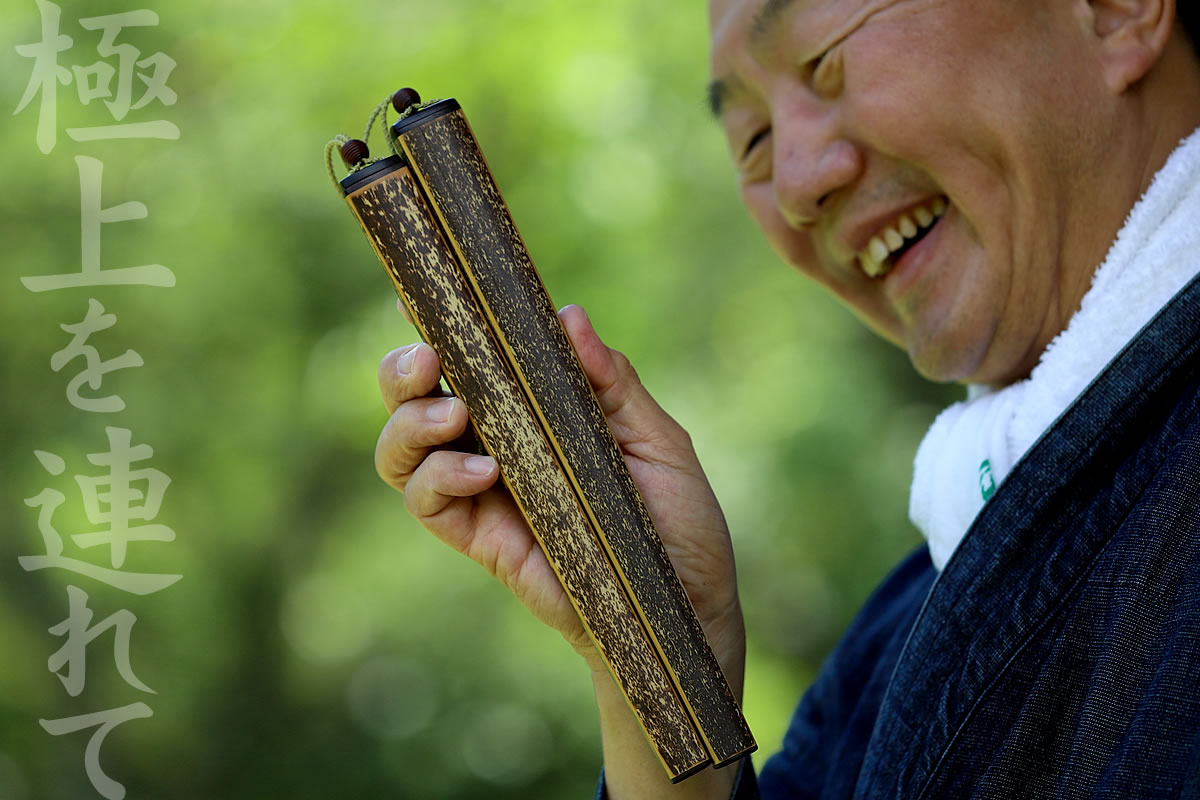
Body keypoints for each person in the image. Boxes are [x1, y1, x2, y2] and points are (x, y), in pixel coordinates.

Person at [374, 0, 1200, 797]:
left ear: (1114, 8)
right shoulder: (899, 634)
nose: (799, 184)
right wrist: (653, 652)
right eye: (754, 139)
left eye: (824, 60)